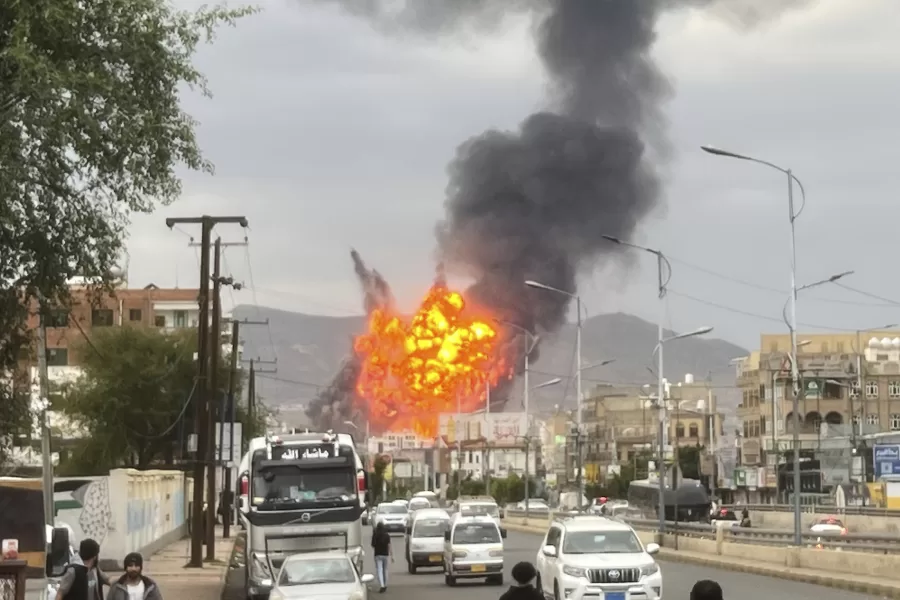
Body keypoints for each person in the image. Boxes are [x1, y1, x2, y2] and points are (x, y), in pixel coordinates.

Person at [371, 522, 393, 593]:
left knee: (379, 570)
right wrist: (392, 555)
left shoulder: (375, 535)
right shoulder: (387, 535)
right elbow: (389, 546)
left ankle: (382, 585)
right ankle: (385, 584)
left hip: (377, 555)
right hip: (385, 555)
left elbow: (373, 545)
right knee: (385, 570)